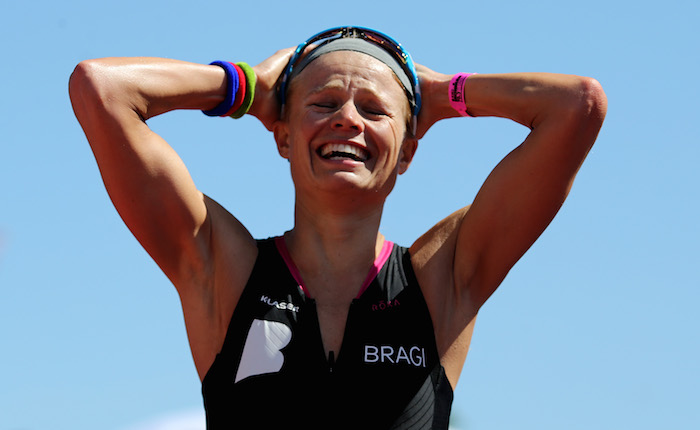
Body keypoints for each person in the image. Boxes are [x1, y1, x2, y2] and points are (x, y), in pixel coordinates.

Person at [69, 26, 606, 429]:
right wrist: (246, 87)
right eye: (323, 102)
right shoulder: (222, 271)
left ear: (408, 152)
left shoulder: (442, 280)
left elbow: (576, 106)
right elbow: (101, 89)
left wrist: (442, 92)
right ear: (281, 136)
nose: (347, 118)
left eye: (375, 110)